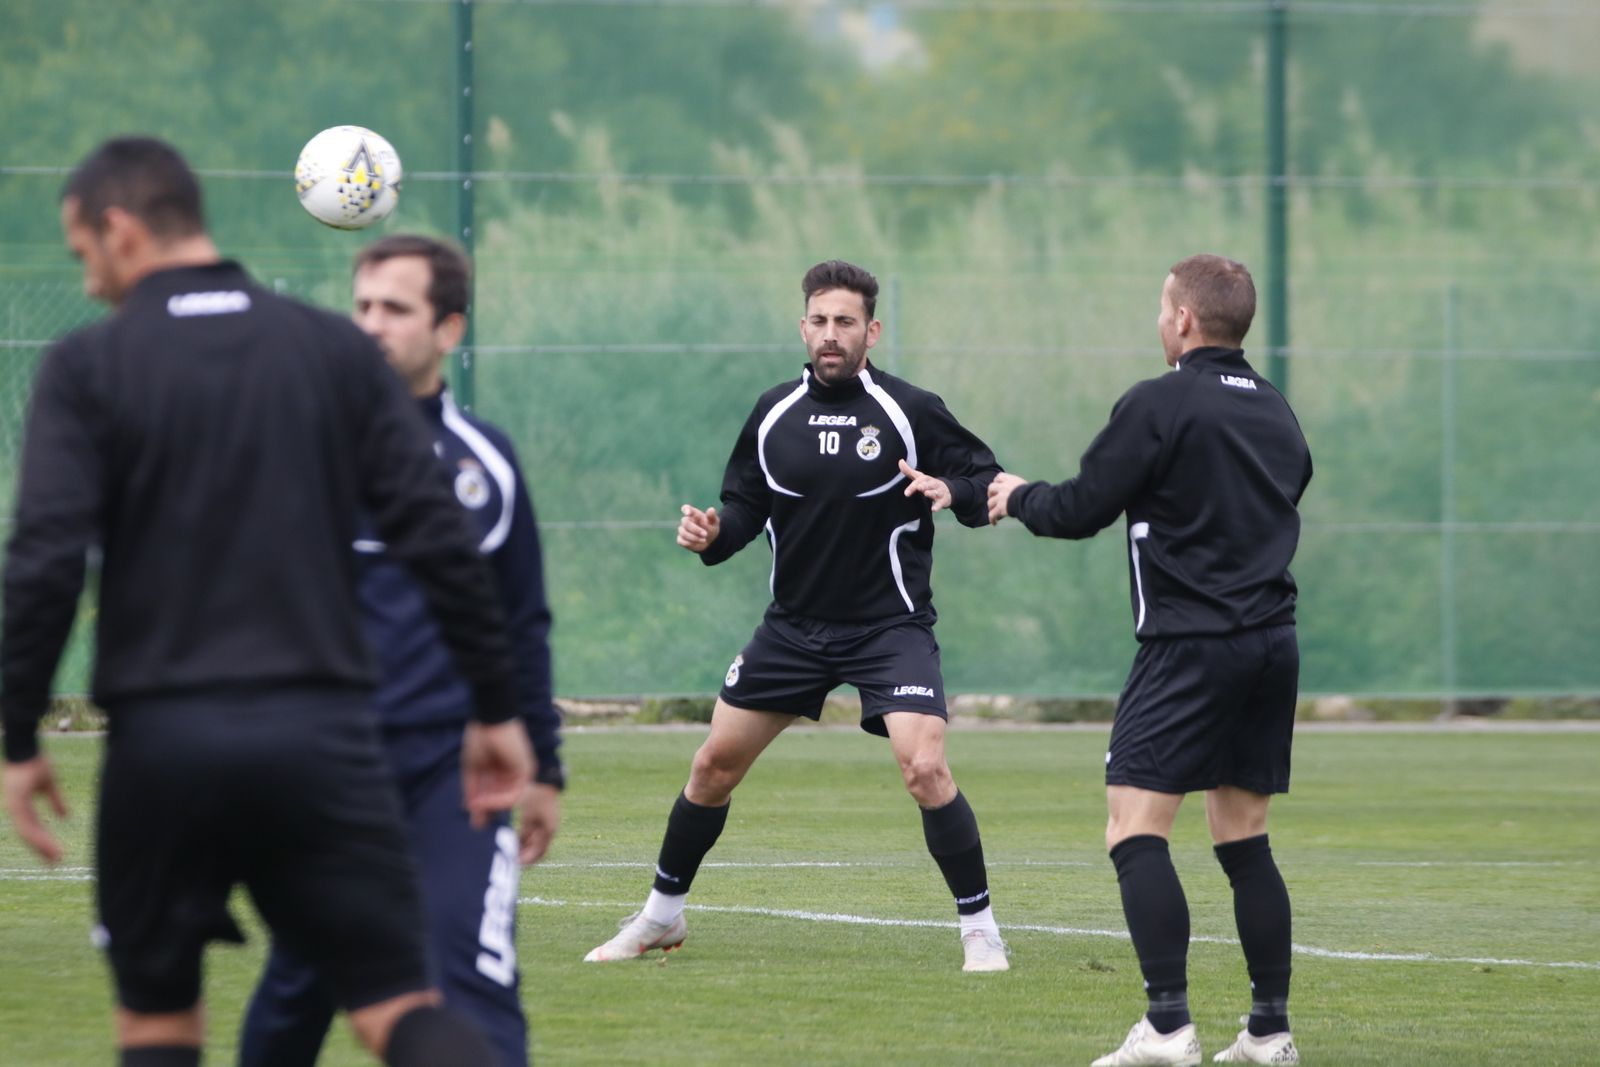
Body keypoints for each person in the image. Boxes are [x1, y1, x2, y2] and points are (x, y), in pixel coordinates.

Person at [0, 137, 533, 1067]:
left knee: (160, 1024)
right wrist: (495, 708)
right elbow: (440, 543)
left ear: (120, 229)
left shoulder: (90, 364)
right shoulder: (332, 350)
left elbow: (45, 561)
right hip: (322, 740)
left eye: (84, 253)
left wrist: (17, 733)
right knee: (396, 1008)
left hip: (162, 744)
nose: (87, 280)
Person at [583, 259, 1010, 973]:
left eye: (846, 321)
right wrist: (713, 534)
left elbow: (985, 477)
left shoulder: (910, 409)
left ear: (872, 331)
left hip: (890, 628)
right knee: (712, 766)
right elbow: (745, 506)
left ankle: (982, 931)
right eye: (819, 320)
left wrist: (953, 489)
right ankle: (661, 915)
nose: (830, 333)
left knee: (925, 767)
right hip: (794, 629)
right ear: (802, 327)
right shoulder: (773, 411)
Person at [239, 235, 563, 1067]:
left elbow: (522, 622)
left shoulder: (484, 465)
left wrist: (546, 768)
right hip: (324, 769)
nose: (373, 324)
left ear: (449, 328)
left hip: (453, 777)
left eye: (396, 308)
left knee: (475, 979)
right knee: (297, 988)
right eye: (363, 306)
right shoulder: (300, 449)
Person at [988, 254, 1311, 1066]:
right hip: (1271, 642)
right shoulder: (1277, 409)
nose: (1160, 321)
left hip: (1189, 644)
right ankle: (1269, 1032)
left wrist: (1015, 495)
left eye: (1163, 309)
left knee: (1133, 827)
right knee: (1244, 839)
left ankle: (1167, 1026)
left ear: (1184, 320)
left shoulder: (1159, 402)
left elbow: (1078, 508)